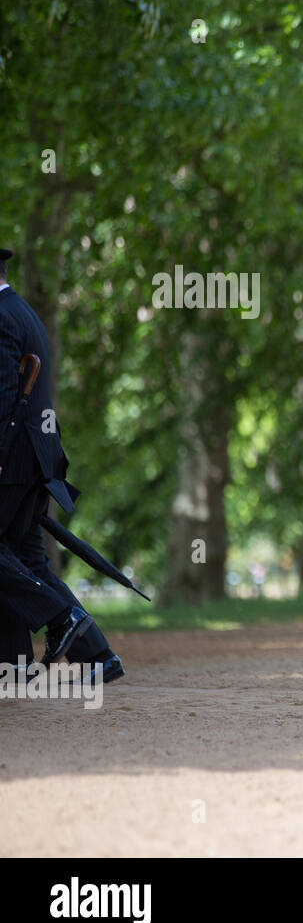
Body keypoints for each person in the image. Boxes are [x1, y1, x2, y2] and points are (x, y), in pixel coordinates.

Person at [0, 246, 112, 675]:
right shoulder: (22, 311)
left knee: (14, 558)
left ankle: (62, 617)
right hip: (37, 455)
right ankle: (93, 656)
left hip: (13, 458)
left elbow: (4, 398)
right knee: (22, 557)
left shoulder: (3, 316)